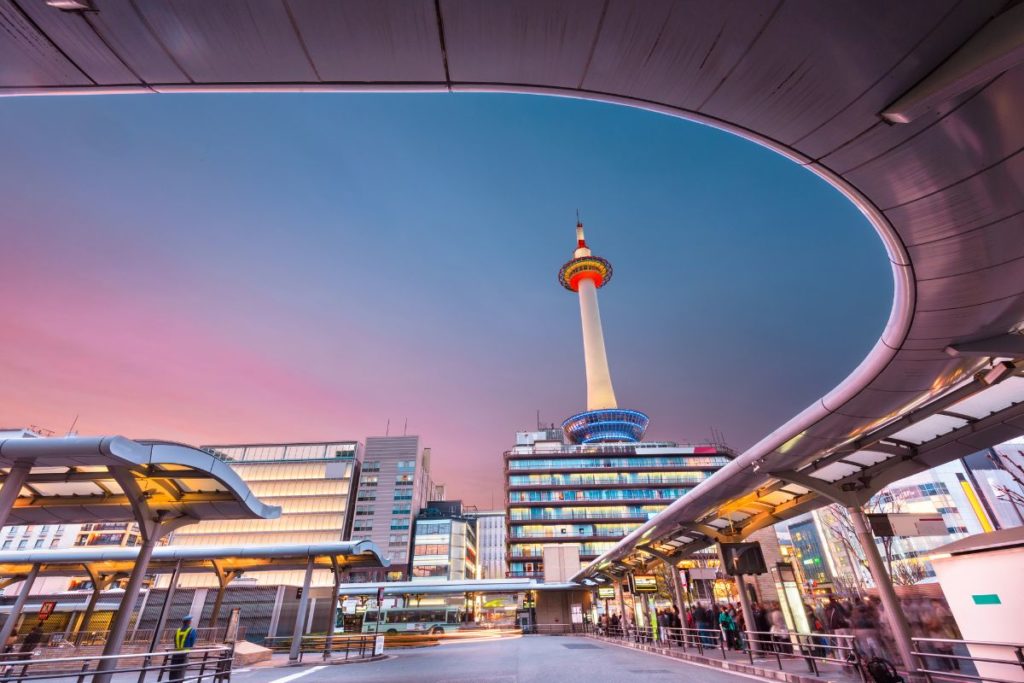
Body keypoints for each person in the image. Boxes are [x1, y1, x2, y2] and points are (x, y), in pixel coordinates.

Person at [170, 615, 197, 681]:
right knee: (181, 670)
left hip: (176, 653)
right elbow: (192, 642)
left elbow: (175, 640)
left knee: (173, 670)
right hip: (185, 653)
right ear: (189, 622)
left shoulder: (178, 630)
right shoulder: (191, 630)